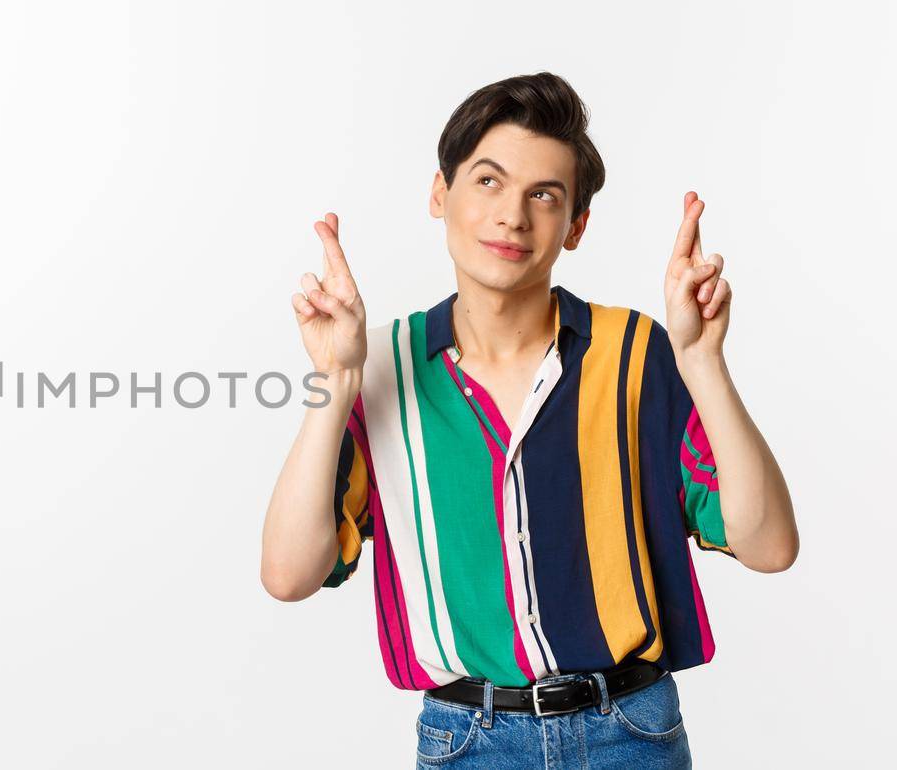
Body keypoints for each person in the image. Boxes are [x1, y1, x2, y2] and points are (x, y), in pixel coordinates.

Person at [258, 72, 798, 768]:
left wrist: (702, 362)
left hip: (630, 734)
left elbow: (769, 546)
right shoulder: (379, 368)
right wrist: (334, 381)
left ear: (575, 226)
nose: (512, 215)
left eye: (544, 195)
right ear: (439, 193)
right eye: (487, 181)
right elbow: (289, 574)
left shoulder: (635, 353)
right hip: (469, 741)